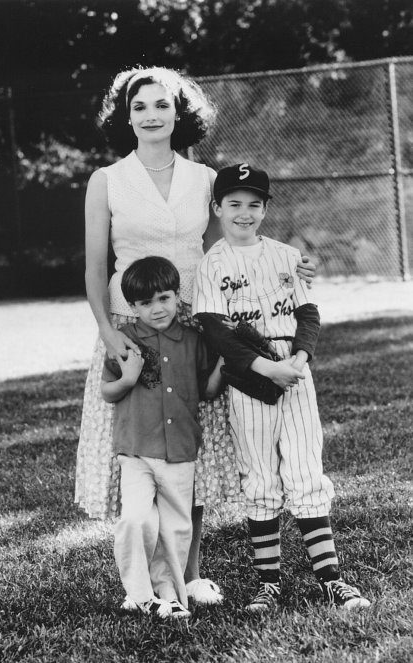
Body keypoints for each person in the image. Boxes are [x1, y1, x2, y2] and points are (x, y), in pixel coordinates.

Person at [75, 65, 316, 606]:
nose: (151, 115)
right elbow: (94, 269)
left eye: (162, 105)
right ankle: (146, 581)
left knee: (191, 449)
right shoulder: (107, 180)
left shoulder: (205, 179)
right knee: (140, 449)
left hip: (194, 324)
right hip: (131, 326)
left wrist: (290, 267)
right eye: (140, 106)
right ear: (126, 116)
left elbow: (230, 249)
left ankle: (191, 573)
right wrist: (108, 334)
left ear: (179, 113)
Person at [192, 163, 371, 611]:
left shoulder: (288, 255)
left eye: (254, 204)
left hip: (293, 369)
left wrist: (300, 359)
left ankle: (331, 578)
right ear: (217, 208)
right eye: (234, 203)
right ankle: (267, 584)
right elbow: (215, 331)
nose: (244, 212)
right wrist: (265, 369)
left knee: (306, 471)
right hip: (248, 375)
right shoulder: (211, 264)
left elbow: (308, 315)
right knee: (261, 478)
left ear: (266, 208)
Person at [100, 256, 224, 619]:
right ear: (132, 306)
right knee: (136, 520)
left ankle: (169, 595)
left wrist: (224, 365)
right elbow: (108, 391)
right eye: (145, 303)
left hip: (181, 449)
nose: (157, 309)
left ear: (177, 296)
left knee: (175, 528)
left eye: (164, 299)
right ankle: (139, 594)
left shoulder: (192, 340)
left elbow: (207, 390)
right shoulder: (125, 341)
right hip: (137, 448)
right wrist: (128, 377)